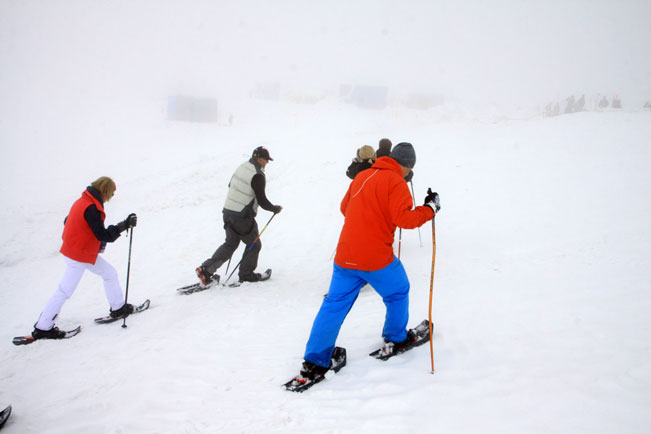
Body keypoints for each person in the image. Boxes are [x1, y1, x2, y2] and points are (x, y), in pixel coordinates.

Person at [294, 142, 440, 380]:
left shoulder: (362, 176)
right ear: (408, 165)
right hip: (375, 259)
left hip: (345, 257)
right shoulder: (397, 182)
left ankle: (315, 361)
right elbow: (405, 219)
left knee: (334, 305)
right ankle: (396, 338)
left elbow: (345, 208)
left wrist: (369, 213)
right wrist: (430, 209)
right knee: (398, 291)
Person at [32, 177, 137, 340]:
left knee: (109, 273)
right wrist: (123, 225)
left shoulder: (83, 200)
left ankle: (118, 308)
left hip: (81, 251)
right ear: (105, 191)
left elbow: (67, 220)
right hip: (78, 255)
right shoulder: (91, 207)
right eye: (111, 193)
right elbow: (102, 234)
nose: (111, 197)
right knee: (64, 291)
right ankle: (43, 327)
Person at [196, 146, 282, 285]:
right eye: (266, 159)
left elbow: (231, 185)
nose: (267, 162)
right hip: (242, 216)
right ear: (259, 158)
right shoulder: (257, 175)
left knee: (230, 244)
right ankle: (246, 274)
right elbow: (262, 200)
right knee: (254, 245)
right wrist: (274, 209)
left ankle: (206, 270)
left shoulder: (242, 167)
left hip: (228, 212)